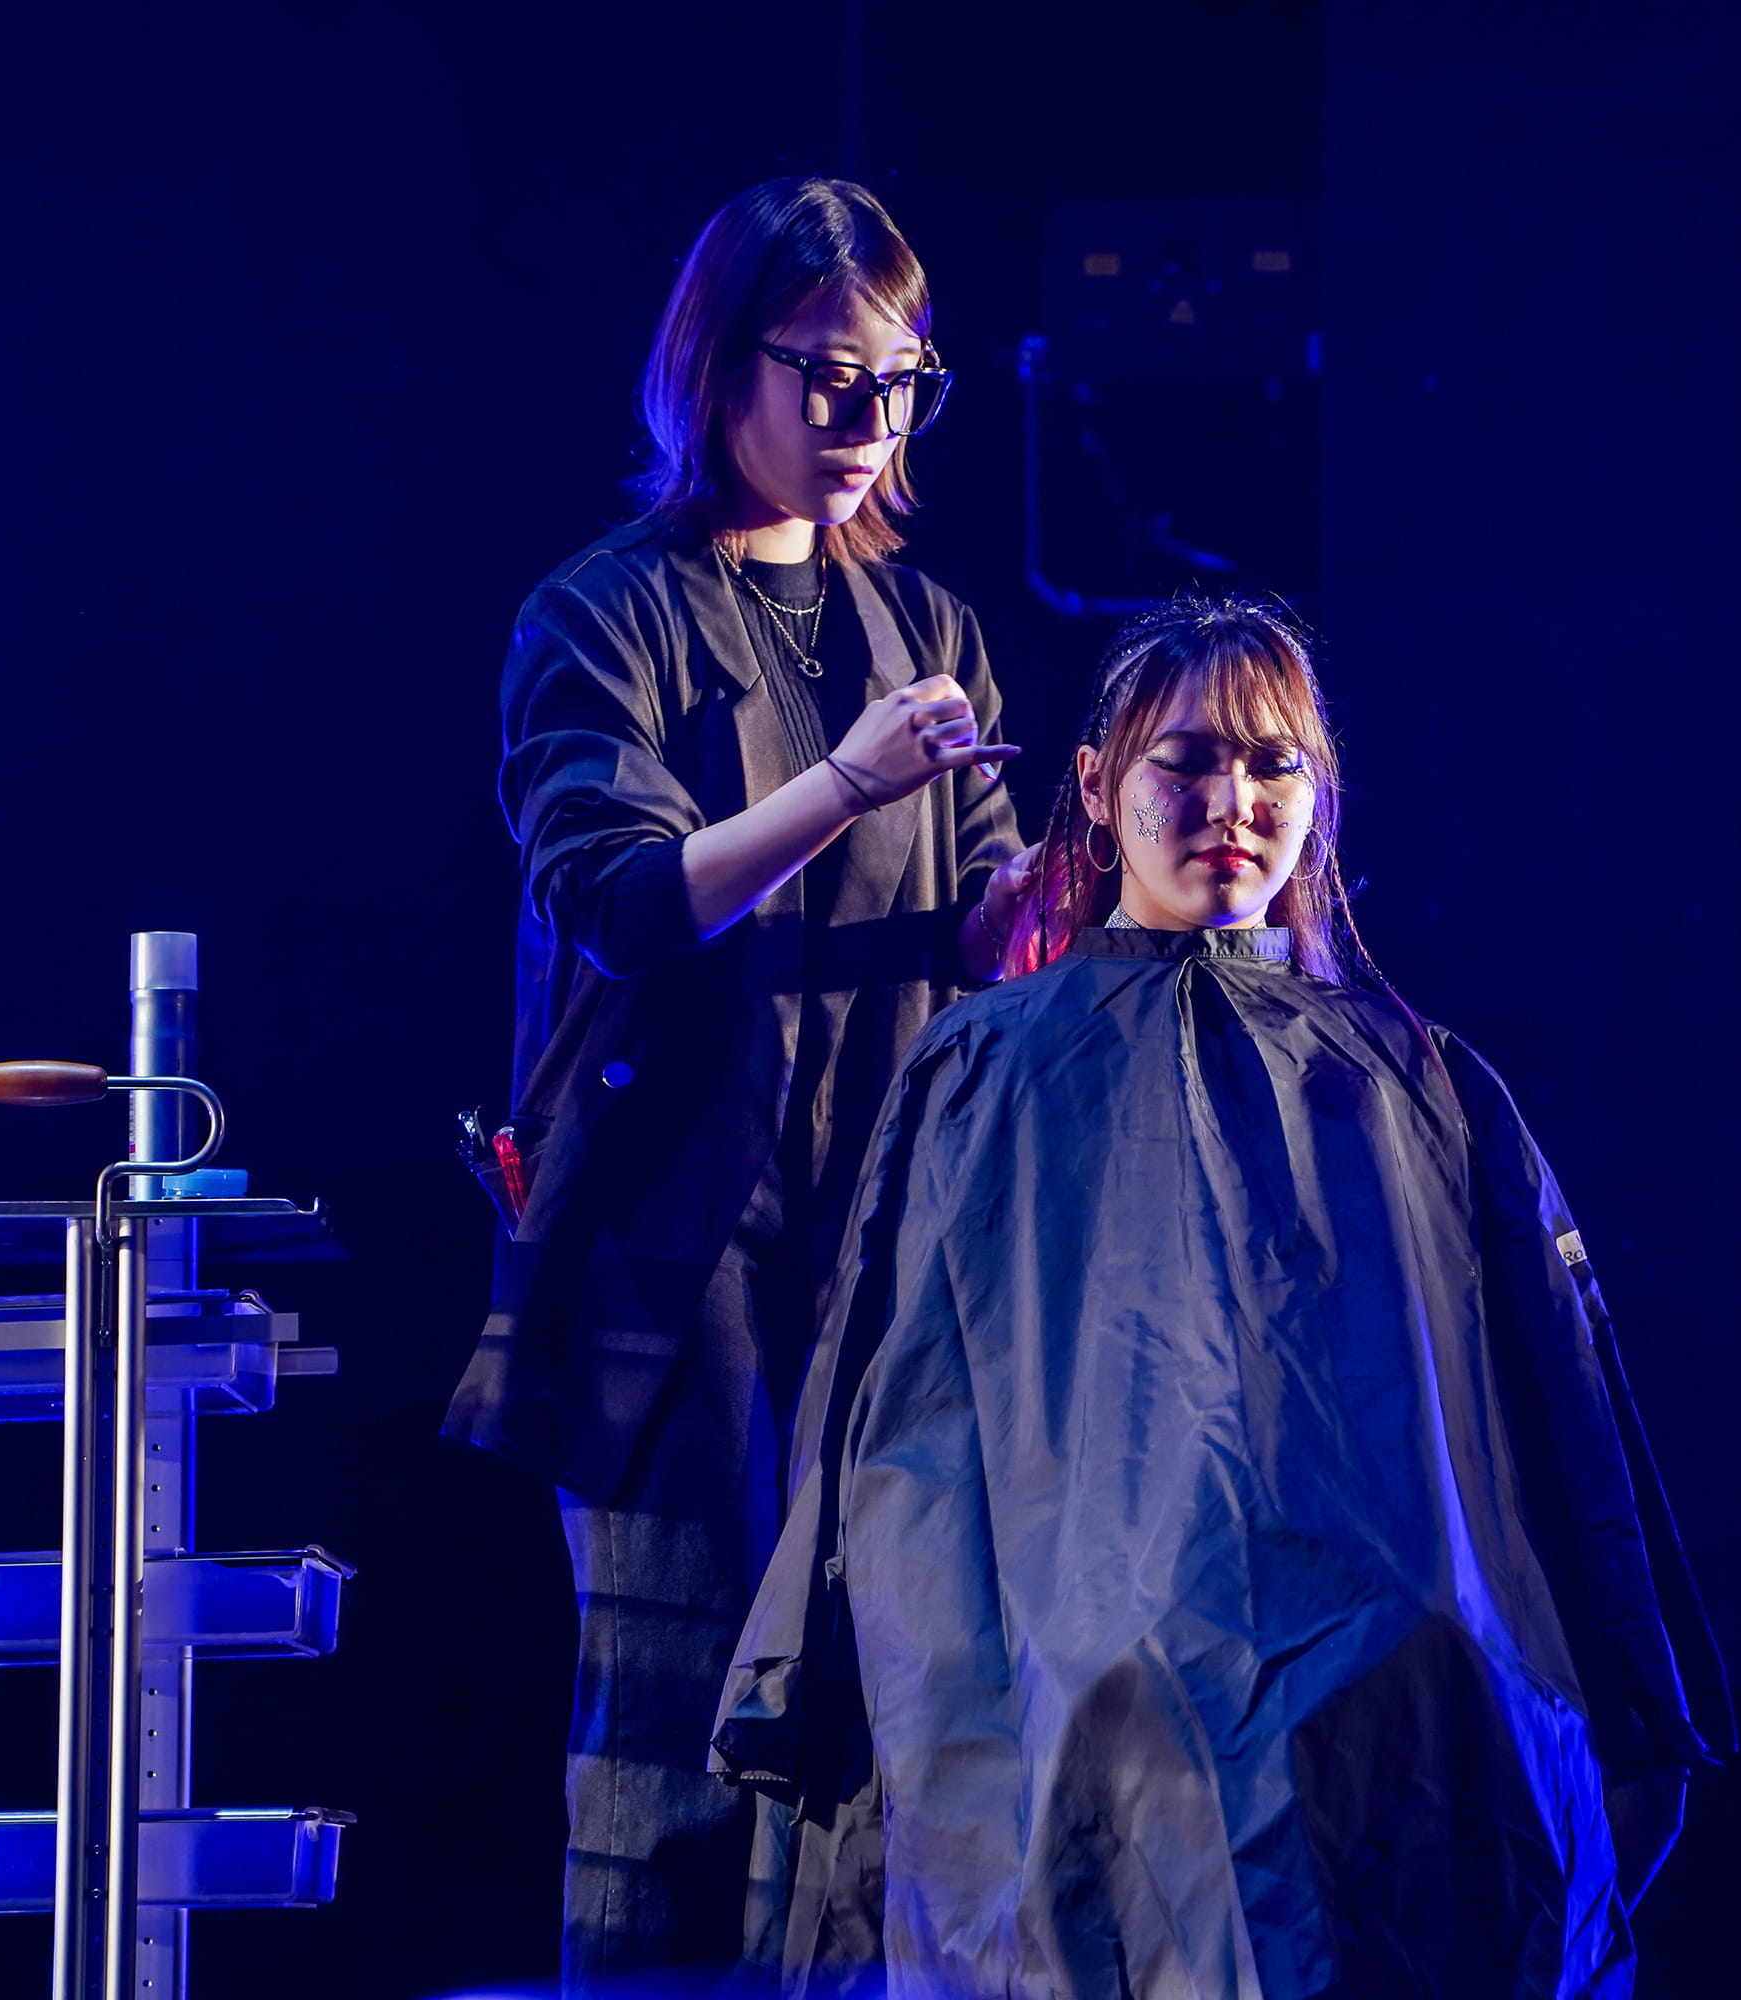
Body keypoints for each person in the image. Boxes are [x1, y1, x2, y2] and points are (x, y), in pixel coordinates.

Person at [715, 597, 1732, 1997]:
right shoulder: (982, 1070)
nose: (1233, 805)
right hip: (1072, 1659)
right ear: (1096, 786)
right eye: (1186, 762)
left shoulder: (1420, 1078)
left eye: (1272, 765)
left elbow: (1555, 1436)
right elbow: (905, 1437)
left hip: (1404, 1674)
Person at [441, 176, 1034, 1994]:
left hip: (878, 1239)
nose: (868, 421)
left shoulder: (924, 624)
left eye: (901, 382)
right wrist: (845, 785)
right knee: (679, 1731)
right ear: (719, 367)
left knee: (872, 1718)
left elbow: (979, 919)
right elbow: (624, 902)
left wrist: (1088, 867)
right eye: (830, 377)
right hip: (670, 1250)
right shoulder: (602, 615)